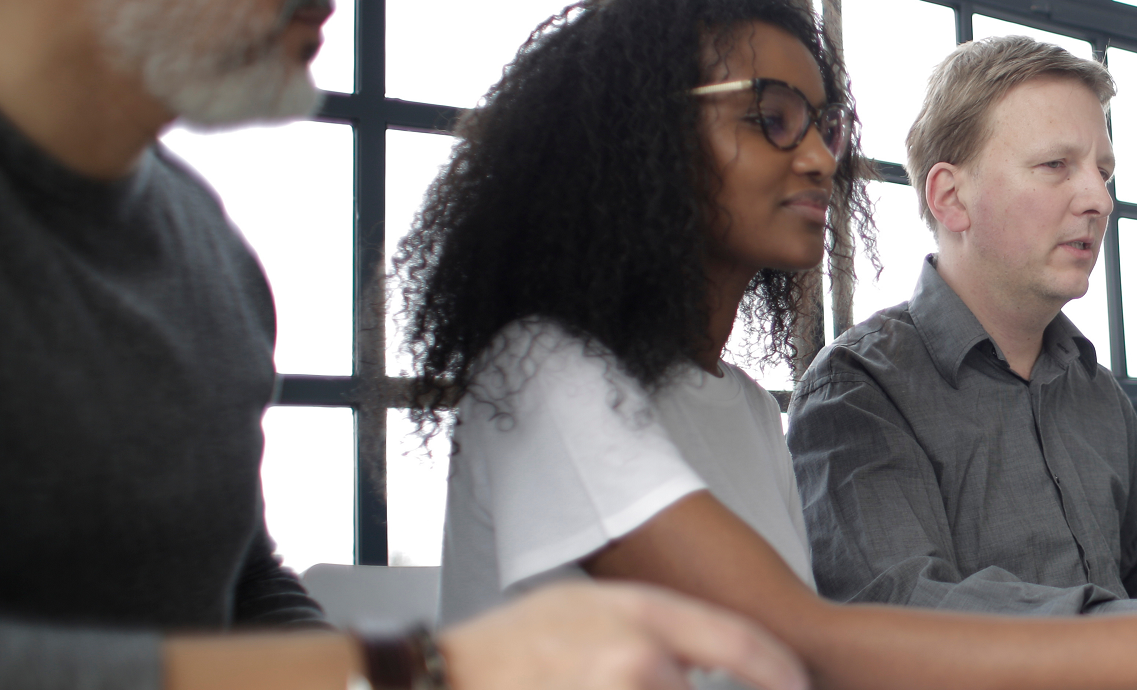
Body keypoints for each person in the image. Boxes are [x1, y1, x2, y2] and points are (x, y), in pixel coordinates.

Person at [403, 3, 1137, 689]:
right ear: (634, 138)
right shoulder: (544, 369)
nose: (822, 157)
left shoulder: (738, 405)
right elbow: (826, 635)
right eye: (773, 116)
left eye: (826, 125)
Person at [0, 0, 810, 688]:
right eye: (771, 117)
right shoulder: (550, 370)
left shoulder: (206, 250)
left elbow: (241, 580)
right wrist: (422, 664)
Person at [785, 33, 1137, 616]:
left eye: (1104, 172)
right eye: (1055, 165)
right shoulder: (858, 391)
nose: (1100, 198)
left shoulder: (1101, 397)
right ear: (950, 198)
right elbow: (906, 618)